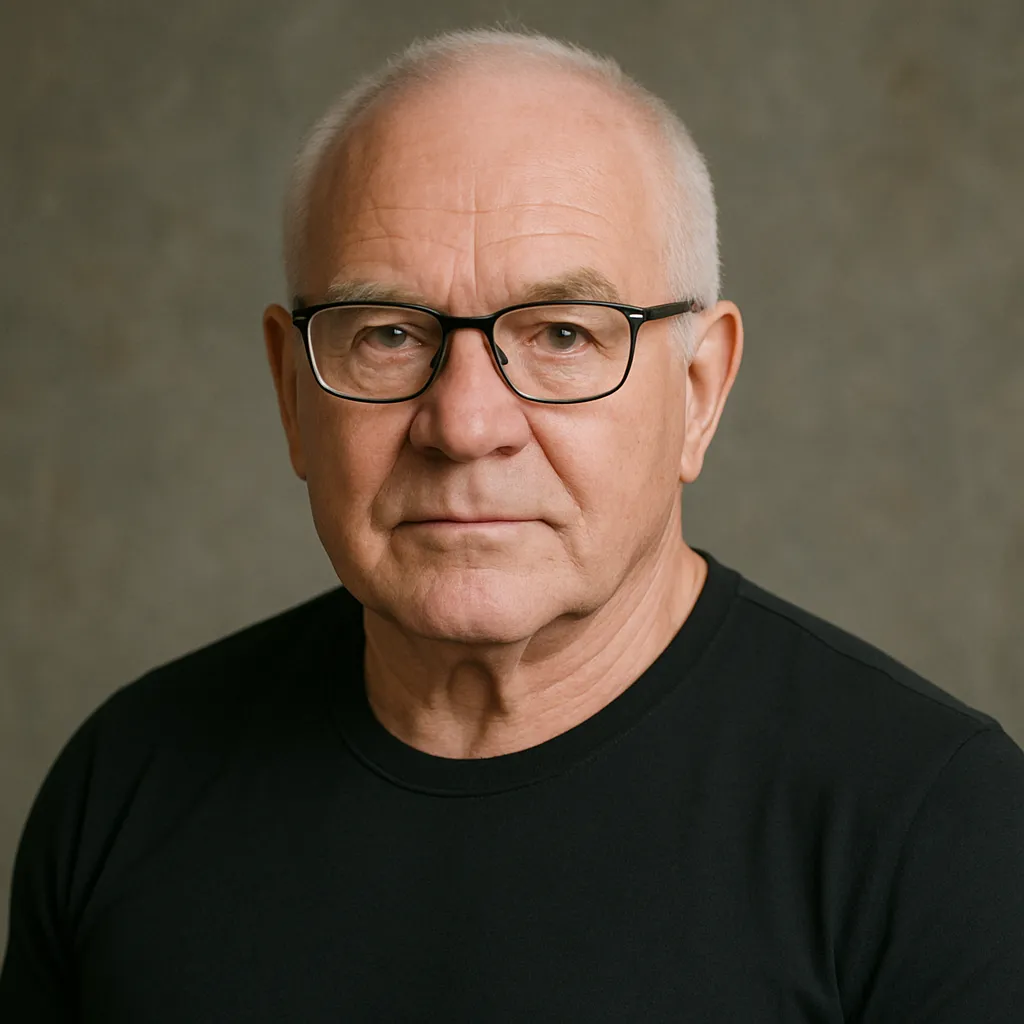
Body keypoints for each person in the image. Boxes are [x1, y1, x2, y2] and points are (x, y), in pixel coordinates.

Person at [2, 27, 1022, 1022]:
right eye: (389, 334)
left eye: (564, 334)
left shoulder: (936, 827)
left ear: (698, 390)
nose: (464, 425)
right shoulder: (127, 784)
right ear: (290, 390)